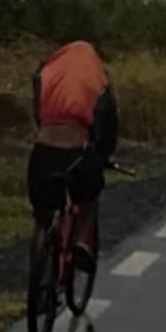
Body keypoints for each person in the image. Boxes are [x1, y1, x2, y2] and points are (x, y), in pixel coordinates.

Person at [28, 40, 119, 271]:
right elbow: (108, 127)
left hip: (42, 153)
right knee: (90, 196)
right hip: (78, 155)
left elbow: (38, 113)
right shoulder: (99, 80)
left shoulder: (46, 72)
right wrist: (103, 155)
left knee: (42, 210)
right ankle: (81, 241)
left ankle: (40, 246)